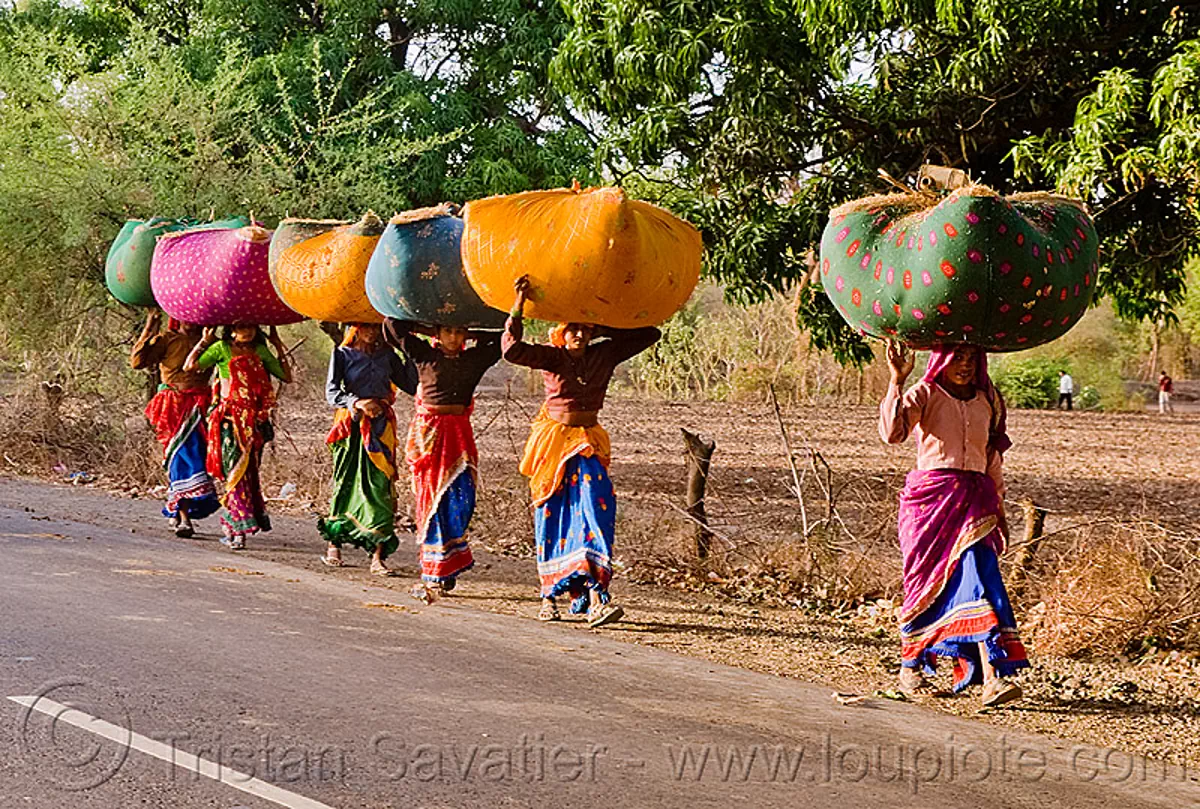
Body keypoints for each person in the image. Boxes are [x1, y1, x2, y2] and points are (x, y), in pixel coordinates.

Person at [503, 275, 660, 627]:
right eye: (573, 329)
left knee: (594, 508)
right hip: (554, 443)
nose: (579, 335)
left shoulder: (604, 353)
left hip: (588, 441)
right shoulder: (551, 357)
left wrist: (605, 320)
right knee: (553, 514)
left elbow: (651, 334)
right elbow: (511, 349)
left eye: (585, 330)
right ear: (561, 331)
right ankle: (548, 595)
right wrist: (518, 305)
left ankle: (596, 596)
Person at [880, 340, 1029, 707]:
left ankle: (993, 678)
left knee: (981, 579)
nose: (964, 365)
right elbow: (892, 434)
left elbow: (992, 458)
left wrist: (1001, 511)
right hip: (929, 502)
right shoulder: (925, 392)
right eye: (956, 357)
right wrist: (897, 380)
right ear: (942, 359)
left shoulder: (988, 401)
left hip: (976, 503)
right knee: (923, 585)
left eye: (971, 358)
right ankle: (910, 667)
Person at [382, 318, 502, 602]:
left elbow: (504, 339)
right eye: (448, 330)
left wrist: (473, 332)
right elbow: (392, 328)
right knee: (432, 502)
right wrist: (426, 330)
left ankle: (449, 563)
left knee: (462, 501)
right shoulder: (426, 355)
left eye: (458, 330)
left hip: (459, 434)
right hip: (431, 437)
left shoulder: (474, 360)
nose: (454, 336)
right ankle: (433, 572)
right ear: (438, 333)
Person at [319, 323, 418, 576]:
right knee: (345, 481)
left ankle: (377, 556)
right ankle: (335, 543)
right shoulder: (342, 354)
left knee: (380, 486)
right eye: (366, 327)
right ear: (355, 328)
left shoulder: (388, 356)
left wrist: (407, 351)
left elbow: (410, 385)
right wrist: (357, 402)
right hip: (349, 427)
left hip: (381, 428)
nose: (372, 333)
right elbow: (332, 393)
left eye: (377, 327)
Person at [184, 324, 292, 550]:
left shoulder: (260, 352)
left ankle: (236, 527)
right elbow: (190, 366)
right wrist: (204, 341)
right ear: (231, 330)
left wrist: (277, 343)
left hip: (254, 423)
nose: (248, 330)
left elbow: (286, 376)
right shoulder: (221, 348)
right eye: (241, 326)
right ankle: (237, 527)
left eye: (251, 326)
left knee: (248, 473)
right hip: (228, 422)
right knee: (233, 473)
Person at [129, 310, 219, 537]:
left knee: (198, 459)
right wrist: (150, 326)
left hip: (201, 407)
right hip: (172, 408)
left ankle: (181, 509)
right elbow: (137, 362)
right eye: (185, 315)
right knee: (179, 459)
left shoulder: (212, 341)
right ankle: (183, 517)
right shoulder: (167, 339)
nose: (190, 320)